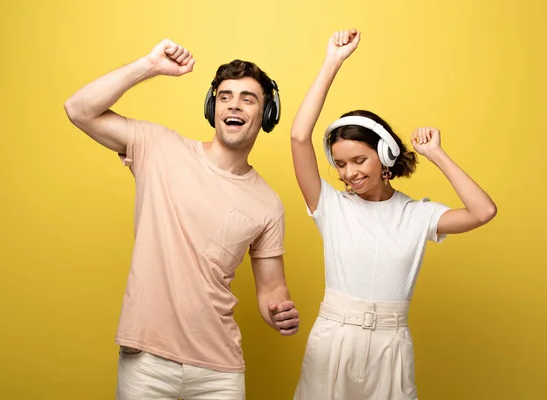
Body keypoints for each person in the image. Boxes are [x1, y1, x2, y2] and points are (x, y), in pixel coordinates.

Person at [64, 38, 300, 400]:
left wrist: (279, 309)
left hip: (219, 371)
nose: (234, 104)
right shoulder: (158, 148)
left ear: (267, 114)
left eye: (247, 98)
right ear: (213, 106)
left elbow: (271, 287)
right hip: (146, 364)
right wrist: (149, 66)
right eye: (225, 96)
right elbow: (79, 109)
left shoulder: (268, 203)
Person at [290, 29, 497, 399]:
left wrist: (438, 155)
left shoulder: (417, 215)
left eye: (359, 160)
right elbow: (299, 138)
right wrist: (333, 62)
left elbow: (483, 212)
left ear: (384, 156)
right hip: (333, 337)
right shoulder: (331, 206)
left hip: (391, 343)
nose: (349, 173)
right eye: (340, 164)